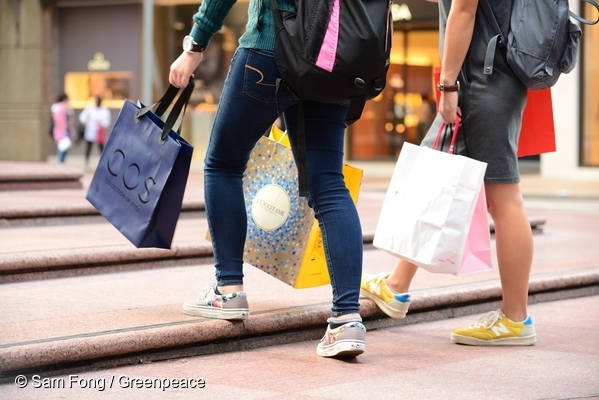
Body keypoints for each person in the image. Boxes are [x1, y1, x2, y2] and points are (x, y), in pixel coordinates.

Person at [169, 0, 366, 358]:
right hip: (332, 59)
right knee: (329, 185)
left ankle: (228, 291)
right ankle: (347, 320)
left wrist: (195, 45)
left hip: (270, 49)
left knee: (223, 165)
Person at [361, 0, 536, 346]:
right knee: (433, 171)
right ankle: (396, 286)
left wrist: (448, 85)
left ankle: (516, 318)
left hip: (480, 81)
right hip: (496, 77)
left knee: (504, 199)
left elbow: (465, 11)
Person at [79, 96, 111, 171]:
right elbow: (82, 117)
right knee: (88, 148)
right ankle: (87, 164)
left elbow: (106, 122)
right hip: (90, 132)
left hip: (99, 132)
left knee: (101, 149)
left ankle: (103, 164)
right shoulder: (90, 109)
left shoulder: (104, 110)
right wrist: (85, 121)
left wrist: (99, 122)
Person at [50, 93, 74, 164]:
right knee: (62, 147)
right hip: (61, 130)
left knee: (64, 146)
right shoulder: (59, 108)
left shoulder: (64, 108)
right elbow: (57, 120)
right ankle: (60, 162)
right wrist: (62, 128)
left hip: (64, 130)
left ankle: (61, 162)